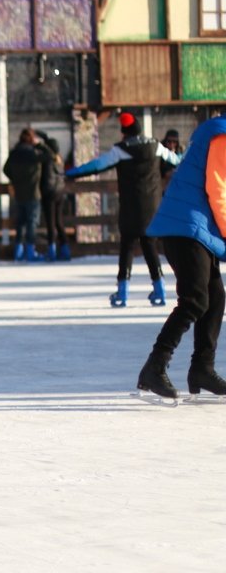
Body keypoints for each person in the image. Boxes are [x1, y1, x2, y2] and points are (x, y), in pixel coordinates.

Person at [136, 115, 226, 401]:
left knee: (215, 297)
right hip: (186, 227)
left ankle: (202, 368)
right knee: (196, 300)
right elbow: (218, 189)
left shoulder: (214, 131)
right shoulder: (221, 136)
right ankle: (156, 365)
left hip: (195, 228)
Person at [65, 112, 182, 307]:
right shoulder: (156, 146)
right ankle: (160, 289)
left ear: (125, 133)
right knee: (150, 246)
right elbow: (176, 160)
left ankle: (123, 292)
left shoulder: (121, 151)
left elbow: (97, 166)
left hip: (130, 207)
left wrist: (73, 173)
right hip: (152, 207)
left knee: (127, 247)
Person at [2, 128, 48, 261]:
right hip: (33, 193)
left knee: (20, 223)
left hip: (19, 193)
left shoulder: (15, 153)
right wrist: (39, 144)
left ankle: (18, 251)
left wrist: (15, 179)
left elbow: (5, 169)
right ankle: (30, 252)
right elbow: (49, 156)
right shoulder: (33, 154)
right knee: (32, 223)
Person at [35, 131, 71, 261]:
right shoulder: (59, 159)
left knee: (51, 224)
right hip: (60, 193)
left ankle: (52, 251)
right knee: (58, 222)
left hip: (49, 193)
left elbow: (43, 151)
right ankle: (65, 249)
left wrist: (39, 144)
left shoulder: (48, 158)